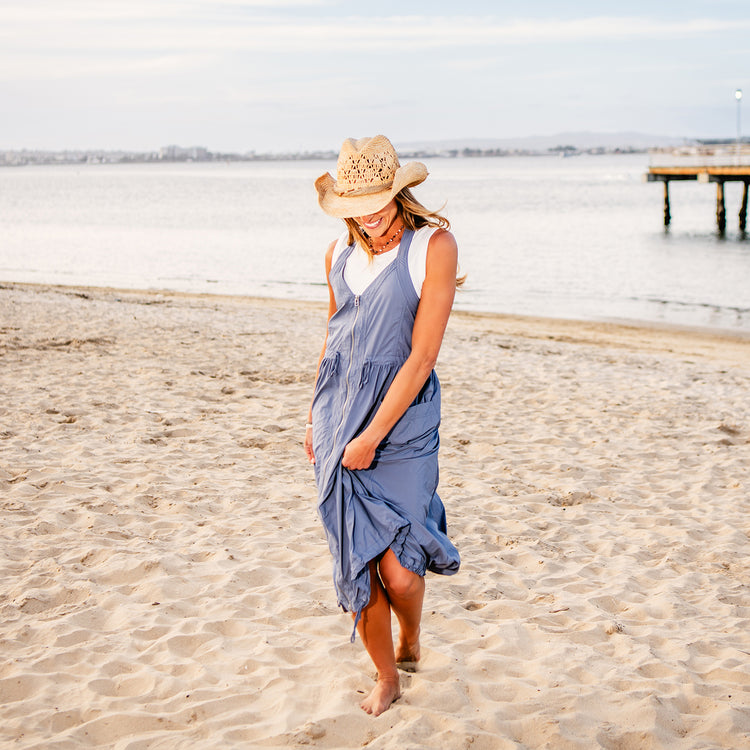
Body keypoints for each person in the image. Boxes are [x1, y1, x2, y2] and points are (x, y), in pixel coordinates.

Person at [304, 135, 461, 716]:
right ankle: (386, 675)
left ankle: (411, 635)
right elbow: (333, 340)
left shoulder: (432, 248)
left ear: (400, 192)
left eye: (378, 201)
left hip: (403, 422)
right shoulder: (336, 256)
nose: (369, 218)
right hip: (338, 419)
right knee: (356, 559)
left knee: (398, 570)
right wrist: (315, 421)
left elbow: (421, 358)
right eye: (357, 206)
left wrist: (373, 437)